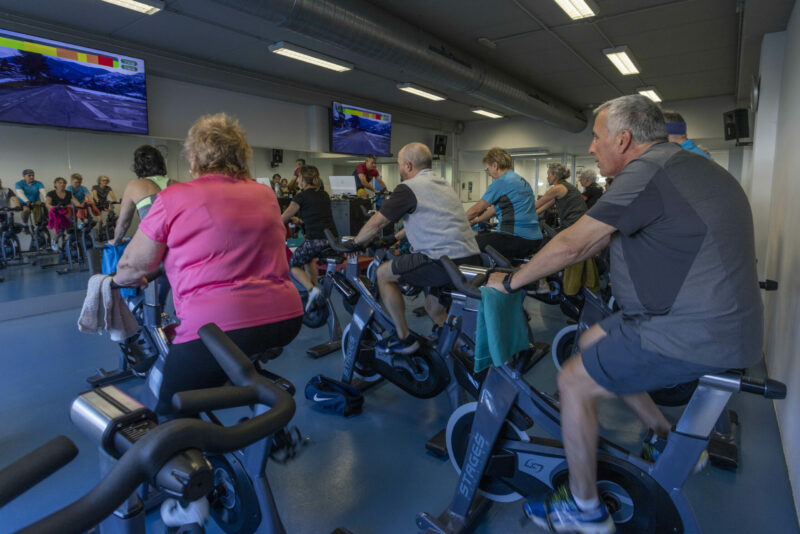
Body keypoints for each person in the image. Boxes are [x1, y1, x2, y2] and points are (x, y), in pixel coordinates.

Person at [487, 94, 762, 533]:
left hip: (691, 330)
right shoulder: (690, 166)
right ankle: (663, 436)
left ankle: (585, 510)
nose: (592, 148)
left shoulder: (649, 171)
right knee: (592, 337)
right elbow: (597, 240)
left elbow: (574, 244)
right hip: (717, 322)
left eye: (597, 138)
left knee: (572, 380)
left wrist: (511, 281)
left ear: (624, 138)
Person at [113, 113, 303, 415]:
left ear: (194, 160)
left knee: (171, 411)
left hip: (218, 326)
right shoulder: (265, 194)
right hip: (286, 318)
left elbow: (133, 267)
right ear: (242, 157)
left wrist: (118, 279)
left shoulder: (174, 197)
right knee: (230, 362)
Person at [349, 142, 481, 354]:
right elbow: (428, 218)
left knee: (384, 274)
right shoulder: (442, 183)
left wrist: (354, 244)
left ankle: (404, 338)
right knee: (432, 307)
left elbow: (376, 223)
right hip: (469, 257)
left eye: (400, 164)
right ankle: (458, 349)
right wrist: (394, 237)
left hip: (440, 261)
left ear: (408, 165)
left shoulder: (408, 188)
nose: (400, 168)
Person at [465, 147, 542, 259]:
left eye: (488, 169)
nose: (489, 173)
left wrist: (456, 223)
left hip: (516, 238)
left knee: (468, 244)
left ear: (495, 165)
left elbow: (477, 209)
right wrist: (475, 221)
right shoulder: (520, 180)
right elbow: (494, 209)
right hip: (534, 238)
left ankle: (480, 275)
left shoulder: (502, 181)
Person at [281, 165, 337, 309]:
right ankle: (315, 289)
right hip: (331, 240)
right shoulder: (324, 194)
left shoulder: (301, 196)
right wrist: (299, 221)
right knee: (307, 259)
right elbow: (317, 217)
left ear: (302, 179)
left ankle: (311, 290)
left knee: (293, 264)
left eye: (299, 177)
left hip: (315, 241)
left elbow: (283, 218)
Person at [112, 145, 173, 245]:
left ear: (138, 166)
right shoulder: (177, 184)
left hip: (156, 246)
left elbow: (123, 224)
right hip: (182, 245)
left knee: (124, 260)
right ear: (161, 163)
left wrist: (115, 242)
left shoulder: (134, 185)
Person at [535, 162, 586, 230]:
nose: (547, 177)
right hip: (579, 223)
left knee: (547, 239)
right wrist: (535, 213)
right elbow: (548, 204)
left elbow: (536, 205)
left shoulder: (558, 188)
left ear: (555, 175)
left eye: (548, 174)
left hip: (572, 224)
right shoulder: (565, 186)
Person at [45, 177, 80, 248]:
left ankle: (72, 241)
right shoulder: (51, 193)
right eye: (60, 183)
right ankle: (54, 241)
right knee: (60, 231)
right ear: (55, 184)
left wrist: (79, 206)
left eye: (64, 183)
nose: (62, 184)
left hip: (67, 213)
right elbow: (47, 204)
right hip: (56, 213)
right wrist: (54, 207)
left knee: (72, 226)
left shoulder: (69, 193)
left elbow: (76, 202)